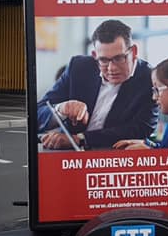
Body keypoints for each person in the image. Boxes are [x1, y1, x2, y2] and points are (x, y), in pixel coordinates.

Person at [37, 19, 157, 150]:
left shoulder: (149, 78)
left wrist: (80, 139)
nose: (112, 68)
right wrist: (61, 109)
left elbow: (141, 129)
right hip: (67, 153)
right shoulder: (78, 67)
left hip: (113, 156)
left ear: (133, 52)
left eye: (118, 58)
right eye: (104, 60)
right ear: (95, 56)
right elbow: (38, 114)